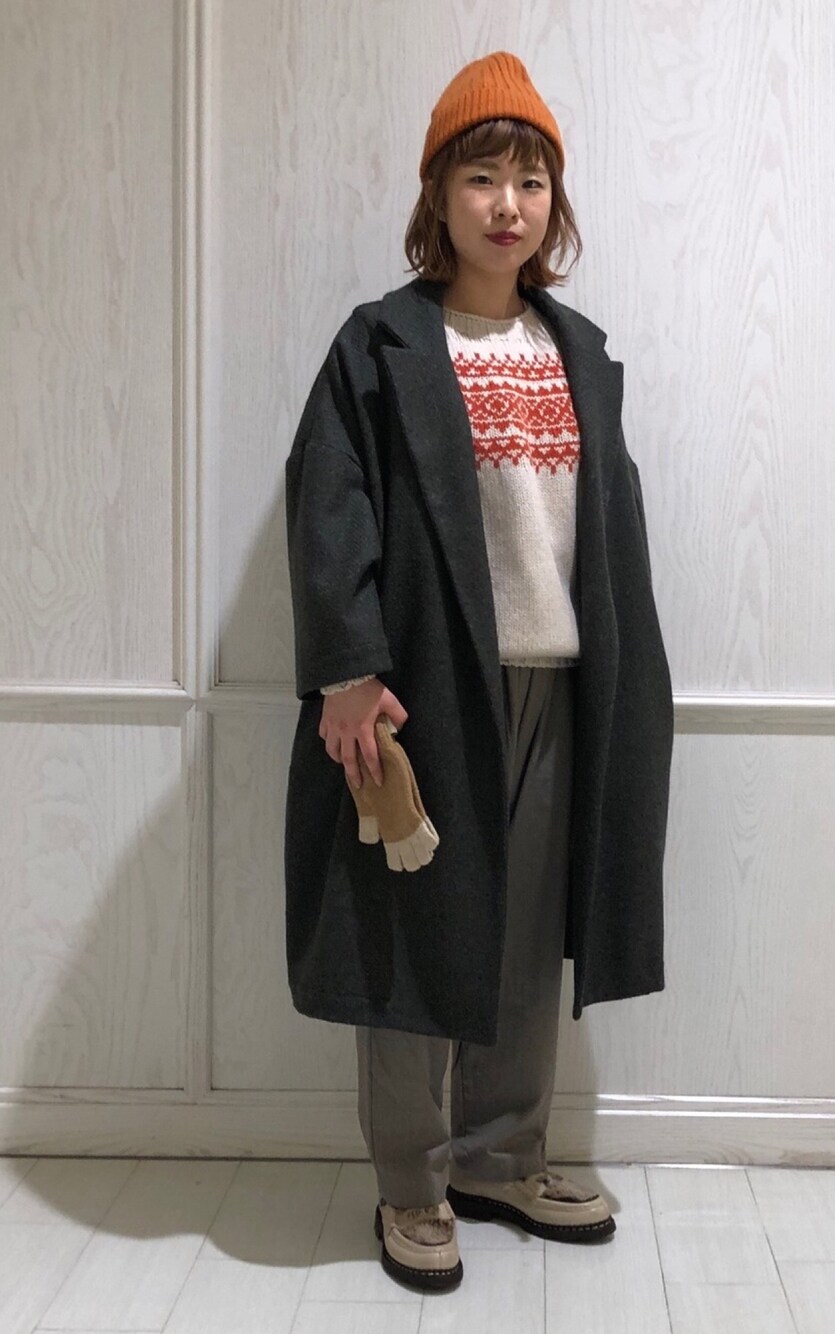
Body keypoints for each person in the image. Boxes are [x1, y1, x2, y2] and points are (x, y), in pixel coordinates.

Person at [283, 50, 674, 1292]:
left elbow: (605, 528)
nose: (509, 204)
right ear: (438, 197)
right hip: (425, 689)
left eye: (531, 180)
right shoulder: (384, 343)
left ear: (555, 202)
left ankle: (502, 1155)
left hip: (563, 683)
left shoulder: (576, 350)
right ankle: (411, 1179)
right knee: (411, 932)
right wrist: (348, 667)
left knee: (522, 937)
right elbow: (330, 505)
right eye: (481, 178)